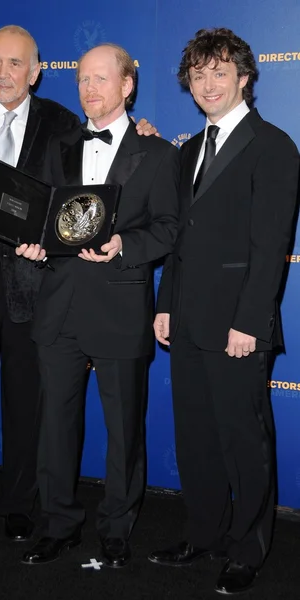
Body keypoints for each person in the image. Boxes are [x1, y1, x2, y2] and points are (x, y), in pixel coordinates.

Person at [0, 25, 156, 542]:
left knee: (29, 403)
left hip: (36, 285)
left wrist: (144, 135)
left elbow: (101, 180)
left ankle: (20, 505)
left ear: (37, 72)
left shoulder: (65, 123)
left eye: (15, 63)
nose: (3, 72)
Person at [16, 43, 179, 568]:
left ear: (126, 85)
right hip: (58, 306)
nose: (89, 89)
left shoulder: (159, 154)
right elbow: (38, 215)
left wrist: (124, 245)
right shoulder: (58, 145)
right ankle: (57, 524)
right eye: (83, 79)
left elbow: (170, 228)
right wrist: (32, 244)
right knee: (55, 429)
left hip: (120, 305)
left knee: (124, 430)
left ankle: (116, 529)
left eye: (100, 79)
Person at [149, 28, 299, 595]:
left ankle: (248, 549)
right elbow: (179, 241)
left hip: (238, 325)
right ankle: (204, 533)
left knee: (244, 443)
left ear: (244, 78)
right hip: (186, 320)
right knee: (196, 440)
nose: (207, 83)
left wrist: (249, 323)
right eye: (198, 73)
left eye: (220, 72)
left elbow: (270, 248)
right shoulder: (189, 150)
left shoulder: (274, 146)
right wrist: (165, 306)